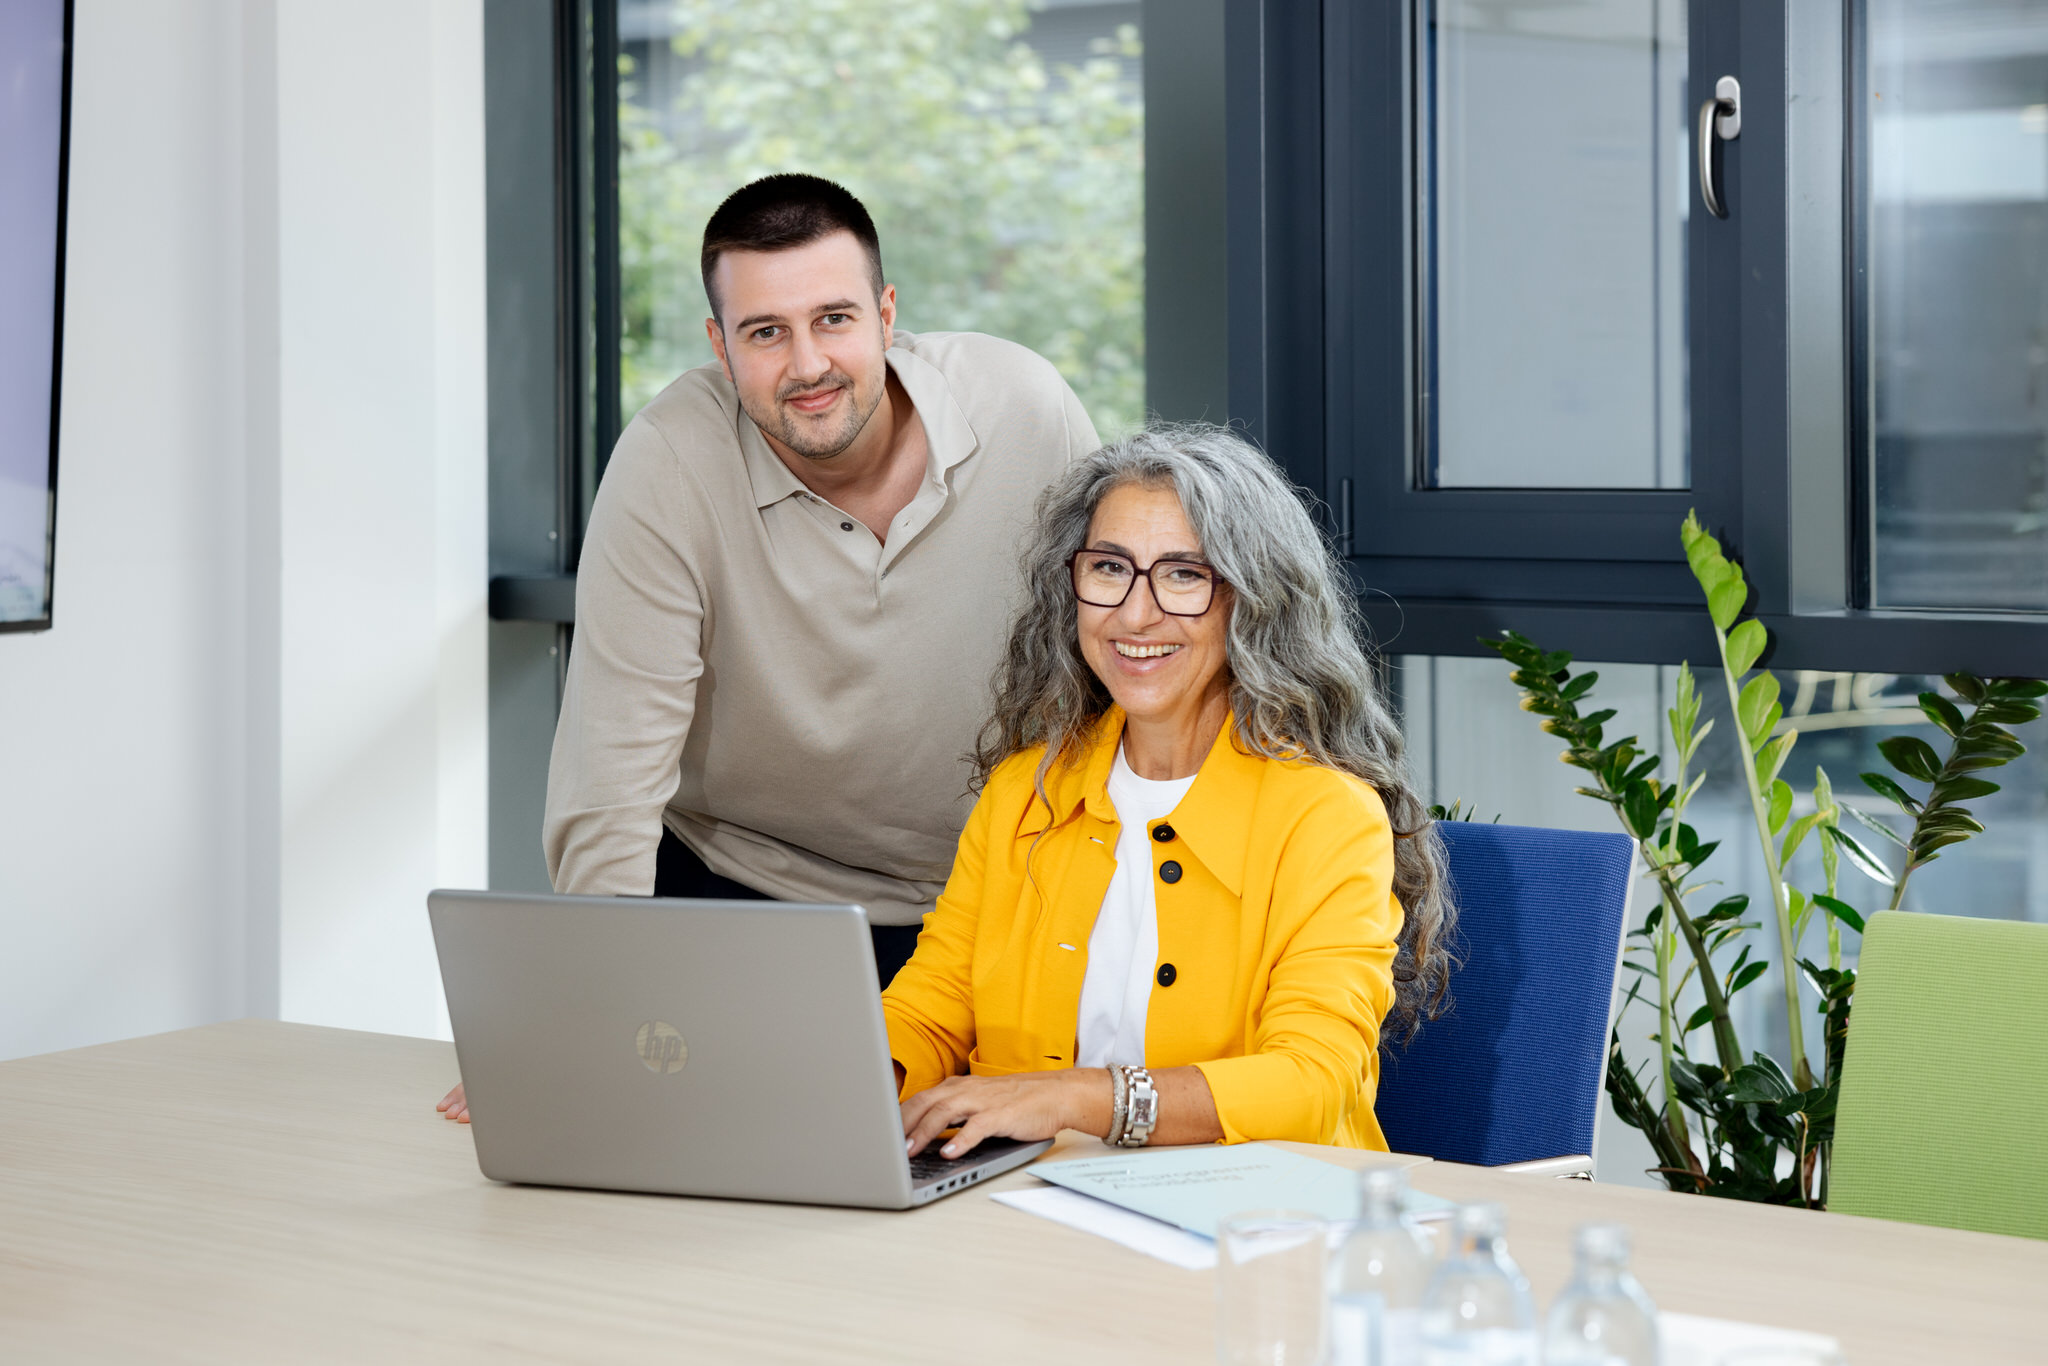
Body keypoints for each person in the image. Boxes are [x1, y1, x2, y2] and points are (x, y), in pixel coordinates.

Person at [440, 174, 1096, 1123]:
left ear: (886, 314)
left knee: (993, 1165)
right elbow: (610, 779)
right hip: (747, 890)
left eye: (834, 319)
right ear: (720, 346)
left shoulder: (1025, 410)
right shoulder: (670, 461)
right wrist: (584, 1009)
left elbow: (1116, 650)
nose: (807, 363)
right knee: (675, 1148)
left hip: (990, 901)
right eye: (765, 333)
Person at [885, 424, 1454, 1157]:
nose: (1135, 614)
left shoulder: (1326, 815)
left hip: (1254, 1206)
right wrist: (843, 1084)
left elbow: (1315, 1080)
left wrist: (1075, 1098)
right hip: (1022, 1193)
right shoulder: (1026, 790)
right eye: (1109, 568)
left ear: (1253, 600)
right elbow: (930, 1009)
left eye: (1184, 575)